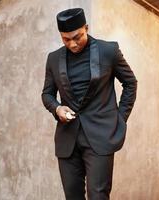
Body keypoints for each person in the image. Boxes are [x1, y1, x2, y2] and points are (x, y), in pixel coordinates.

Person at [41, 8, 137, 200]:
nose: (72, 44)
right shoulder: (53, 59)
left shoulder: (108, 51)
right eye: (66, 39)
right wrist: (57, 108)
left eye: (77, 37)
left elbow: (130, 83)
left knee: (98, 195)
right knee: (72, 195)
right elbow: (47, 94)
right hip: (68, 139)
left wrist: (119, 119)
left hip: (101, 136)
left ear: (86, 27)